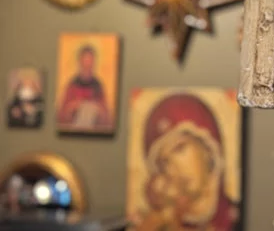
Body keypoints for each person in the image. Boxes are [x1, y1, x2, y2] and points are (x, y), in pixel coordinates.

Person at [133, 93, 238, 231]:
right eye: (164, 162)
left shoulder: (238, 219)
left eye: (180, 148)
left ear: (207, 148)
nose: (174, 168)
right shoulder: (158, 225)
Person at [57, 45, 111, 131]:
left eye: (90, 62)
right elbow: (61, 117)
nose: (87, 65)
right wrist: (73, 106)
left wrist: (97, 108)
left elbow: (107, 119)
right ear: (80, 62)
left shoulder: (98, 87)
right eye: (85, 61)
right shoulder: (72, 85)